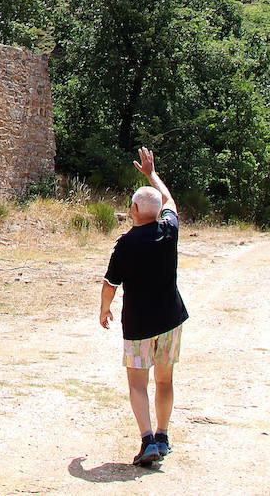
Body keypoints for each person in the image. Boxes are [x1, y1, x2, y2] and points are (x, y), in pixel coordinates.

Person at [99, 146, 189, 467]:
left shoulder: (125, 244)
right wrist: (152, 174)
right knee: (165, 381)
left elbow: (110, 284)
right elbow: (170, 202)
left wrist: (103, 310)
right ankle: (164, 437)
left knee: (138, 384)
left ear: (134, 208)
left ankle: (148, 439)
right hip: (170, 320)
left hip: (138, 326)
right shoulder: (169, 230)